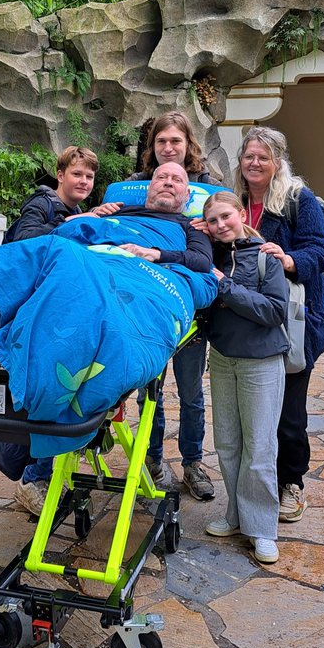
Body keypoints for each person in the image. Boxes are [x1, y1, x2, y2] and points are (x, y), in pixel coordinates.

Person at [0, 146, 101, 514]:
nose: (83, 181)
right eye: (77, 174)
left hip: (53, 312)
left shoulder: (77, 211)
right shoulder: (44, 204)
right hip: (27, 314)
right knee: (48, 391)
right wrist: (73, 227)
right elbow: (27, 240)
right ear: (60, 175)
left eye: (88, 176)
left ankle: (43, 470)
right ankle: (33, 479)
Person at [232, 125, 324, 522]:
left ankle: (292, 482)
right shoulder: (233, 200)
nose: (255, 163)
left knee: (288, 413)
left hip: (293, 321)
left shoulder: (297, 200)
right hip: (249, 321)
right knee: (252, 413)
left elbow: (318, 253)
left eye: (263, 157)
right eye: (249, 156)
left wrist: (289, 260)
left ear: (277, 162)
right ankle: (253, 484)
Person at [129, 112, 221, 501]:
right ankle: (151, 457)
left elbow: (216, 248)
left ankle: (193, 462)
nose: (168, 149)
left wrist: (210, 227)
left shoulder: (207, 193)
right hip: (146, 308)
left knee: (191, 392)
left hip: (190, 311)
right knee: (149, 389)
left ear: (189, 146)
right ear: (152, 148)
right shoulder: (133, 191)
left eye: (176, 142)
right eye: (161, 142)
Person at [199, 192, 289, 565]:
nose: (221, 226)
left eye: (225, 217)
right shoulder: (210, 254)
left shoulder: (266, 257)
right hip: (222, 359)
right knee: (228, 443)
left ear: (240, 213)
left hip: (261, 362)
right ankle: (236, 517)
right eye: (212, 221)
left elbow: (274, 311)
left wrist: (226, 287)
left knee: (259, 448)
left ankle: (263, 528)